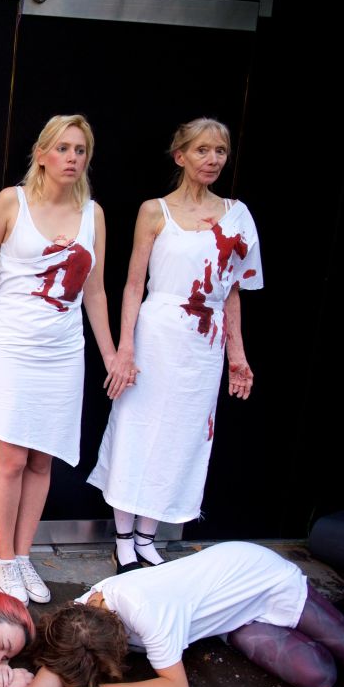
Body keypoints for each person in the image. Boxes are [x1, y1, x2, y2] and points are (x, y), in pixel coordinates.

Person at [87, 118, 262, 573]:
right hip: (157, 332)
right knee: (138, 427)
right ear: (181, 155)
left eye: (220, 151)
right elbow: (132, 284)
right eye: (202, 150)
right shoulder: (154, 211)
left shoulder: (237, 214)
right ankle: (122, 539)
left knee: (183, 436)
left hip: (203, 345)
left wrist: (236, 356)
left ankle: (148, 537)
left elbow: (234, 290)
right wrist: (125, 349)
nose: (212, 159)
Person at [0, 115, 122, 606]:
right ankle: (4, 558)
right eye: (63, 148)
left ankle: (24, 554)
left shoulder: (92, 215)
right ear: (42, 154)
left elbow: (94, 291)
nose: (72, 158)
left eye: (80, 150)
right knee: (10, 458)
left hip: (62, 351)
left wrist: (111, 352)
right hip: (9, 345)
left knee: (41, 459)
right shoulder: (13, 202)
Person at [0, 542, 344, 687]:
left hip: (261, 577)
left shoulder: (149, 616)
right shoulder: (85, 607)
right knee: (320, 676)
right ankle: (228, 625)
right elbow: (62, 660)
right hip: (233, 615)